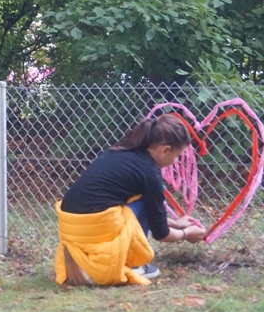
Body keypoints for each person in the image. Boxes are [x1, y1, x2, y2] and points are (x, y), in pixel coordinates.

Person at [54, 114, 207, 286]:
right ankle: (132, 264)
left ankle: (87, 267)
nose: (176, 161)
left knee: (134, 199)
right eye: (177, 155)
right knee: (142, 200)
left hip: (72, 226)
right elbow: (161, 234)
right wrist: (186, 234)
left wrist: (177, 224)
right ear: (165, 150)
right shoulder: (149, 173)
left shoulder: (120, 152)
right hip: (94, 224)